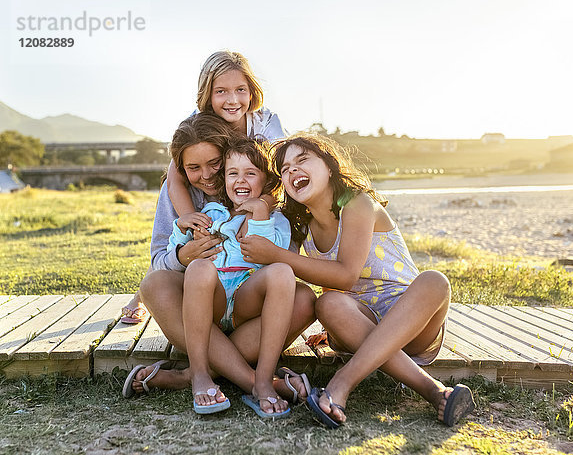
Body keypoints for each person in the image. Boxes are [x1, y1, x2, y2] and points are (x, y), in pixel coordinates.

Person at [240, 134, 475, 428]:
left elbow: (346, 274)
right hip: (357, 321)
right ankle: (436, 392)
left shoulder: (357, 203)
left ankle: (342, 383)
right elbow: (314, 281)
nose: (292, 171)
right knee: (327, 303)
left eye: (302, 161)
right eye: (285, 170)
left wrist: (276, 254)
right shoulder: (299, 225)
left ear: (328, 167)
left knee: (435, 281)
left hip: (409, 321)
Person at [122, 113, 315, 415]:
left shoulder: (273, 209)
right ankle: (242, 381)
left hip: (247, 309)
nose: (209, 175)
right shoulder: (208, 209)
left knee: (300, 293)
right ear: (183, 171)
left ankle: (191, 375)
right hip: (203, 309)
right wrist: (183, 248)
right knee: (162, 281)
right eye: (194, 168)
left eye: (215, 165)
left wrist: (262, 210)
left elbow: (275, 255)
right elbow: (163, 256)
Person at [121, 50, 286, 323]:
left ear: (252, 91)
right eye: (221, 91)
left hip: (250, 186)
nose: (232, 100)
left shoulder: (264, 124)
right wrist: (190, 219)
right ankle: (148, 289)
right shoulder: (196, 121)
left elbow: (278, 173)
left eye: (240, 90)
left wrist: (263, 204)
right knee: (185, 234)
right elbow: (176, 176)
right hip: (212, 196)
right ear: (207, 94)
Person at [167, 137, 295, 416]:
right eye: (233, 173)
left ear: (267, 181)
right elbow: (173, 252)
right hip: (211, 301)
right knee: (200, 267)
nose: (241, 180)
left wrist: (260, 215)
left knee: (283, 273)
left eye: (250, 173)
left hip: (245, 298)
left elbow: (265, 256)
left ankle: (263, 379)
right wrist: (181, 227)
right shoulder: (210, 212)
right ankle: (200, 374)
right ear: (223, 177)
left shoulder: (276, 219)